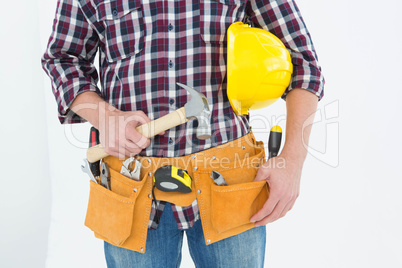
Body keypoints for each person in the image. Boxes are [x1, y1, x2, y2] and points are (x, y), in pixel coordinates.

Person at [42, 0, 324, 267]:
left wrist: (292, 162)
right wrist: (105, 117)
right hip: (132, 184)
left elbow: (303, 63)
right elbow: (63, 58)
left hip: (229, 182)